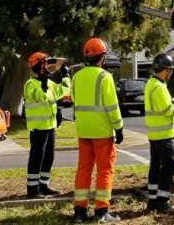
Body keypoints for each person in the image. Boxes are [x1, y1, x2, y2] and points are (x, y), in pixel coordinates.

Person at [71, 38, 123, 223]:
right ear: (102, 57)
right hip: (102, 132)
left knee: (83, 169)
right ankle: (102, 212)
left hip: (83, 131)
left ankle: (79, 211)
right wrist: (119, 127)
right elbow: (112, 106)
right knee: (105, 170)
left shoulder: (77, 76)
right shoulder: (105, 77)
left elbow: (74, 99)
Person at [144, 53, 174, 215]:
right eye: (169, 70)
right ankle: (163, 202)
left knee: (155, 166)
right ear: (163, 69)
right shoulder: (159, 87)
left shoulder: (151, 83)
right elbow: (167, 109)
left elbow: (160, 110)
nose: (170, 73)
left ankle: (153, 200)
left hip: (154, 134)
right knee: (170, 165)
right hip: (163, 135)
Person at [23, 52, 70, 198]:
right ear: (39, 66)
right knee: (37, 157)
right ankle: (32, 190)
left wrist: (65, 76)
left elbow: (63, 91)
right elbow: (40, 96)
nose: (48, 67)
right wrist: (44, 82)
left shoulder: (48, 83)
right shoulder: (30, 84)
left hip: (50, 127)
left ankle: (44, 186)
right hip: (38, 128)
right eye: (46, 64)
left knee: (48, 157)